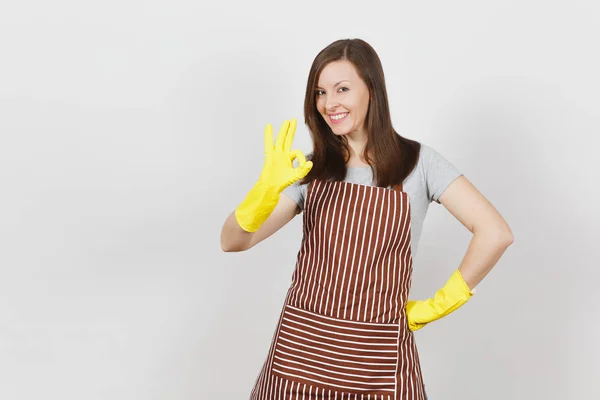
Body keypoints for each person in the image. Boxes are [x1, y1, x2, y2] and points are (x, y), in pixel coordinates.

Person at [221, 38, 514, 400]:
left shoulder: (419, 163)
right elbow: (233, 241)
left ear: (372, 91)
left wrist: (440, 302)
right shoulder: (313, 169)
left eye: (342, 88)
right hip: (300, 357)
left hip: (376, 360)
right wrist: (262, 192)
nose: (330, 103)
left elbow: (495, 232)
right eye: (320, 92)